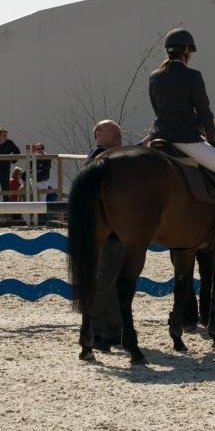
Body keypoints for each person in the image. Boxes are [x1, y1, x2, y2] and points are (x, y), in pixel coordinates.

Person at [148, 28, 215, 245]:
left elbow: (157, 110)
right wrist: (212, 139)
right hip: (186, 140)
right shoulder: (192, 76)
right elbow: (204, 112)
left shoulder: (154, 77)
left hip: (159, 139)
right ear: (186, 51)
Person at [86, 120, 124, 352]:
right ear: (99, 134)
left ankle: (113, 331)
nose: (119, 131)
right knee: (107, 279)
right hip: (108, 232)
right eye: (113, 129)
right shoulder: (100, 156)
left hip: (113, 231)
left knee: (113, 279)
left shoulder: (107, 156)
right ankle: (97, 331)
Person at [0, 127, 21, 203]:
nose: (6, 137)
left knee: (5, 189)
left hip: (5, 169)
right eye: (4, 135)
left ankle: (6, 207)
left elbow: (17, 152)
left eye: (6, 135)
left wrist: (13, 161)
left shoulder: (9, 143)